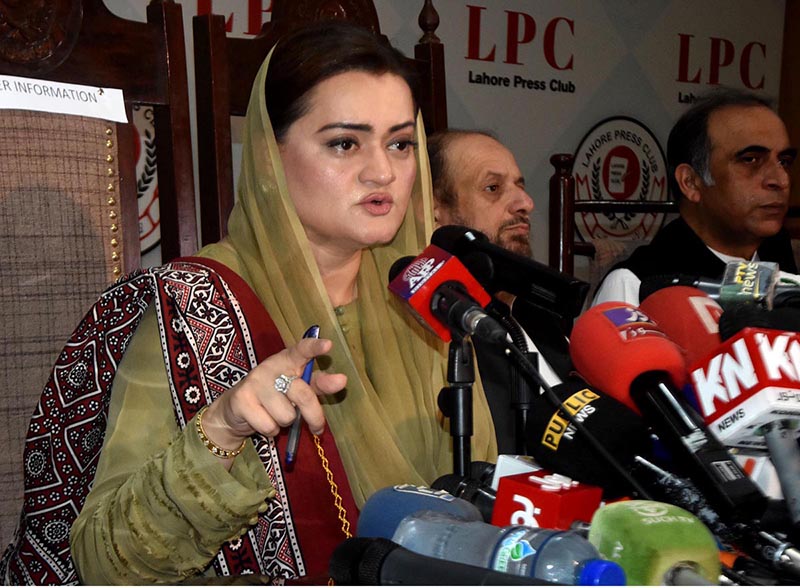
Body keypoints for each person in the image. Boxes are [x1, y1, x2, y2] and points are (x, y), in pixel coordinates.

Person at [1, 22, 498, 585]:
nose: (383, 170)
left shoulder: (430, 298)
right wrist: (223, 427)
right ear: (269, 158)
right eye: (344, 143)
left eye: (400, 143)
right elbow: (105, 564)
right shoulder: (193, 308)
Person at [428, 129, 573, 453]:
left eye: (520, 186)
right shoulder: (435, 338)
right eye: (493, 188)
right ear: (435, 210)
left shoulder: (540, 311)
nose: (526, 203)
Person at [593, 87, 798, 307]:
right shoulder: (635, 286)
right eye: (750, 160)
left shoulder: (778, 257)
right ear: (690, 182)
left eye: (784, 161)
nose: (781, 180)